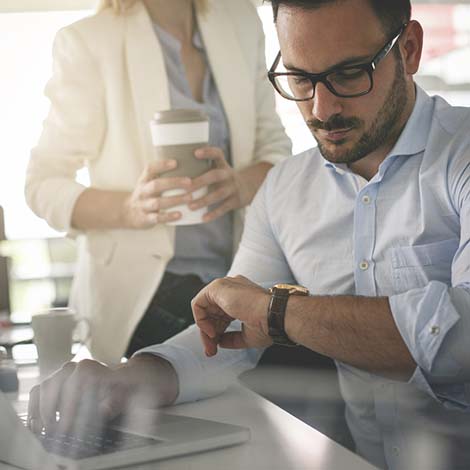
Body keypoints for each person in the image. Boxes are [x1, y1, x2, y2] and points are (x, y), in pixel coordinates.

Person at [28, 0, 470, 468]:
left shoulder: (459, 157)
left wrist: (276, 312)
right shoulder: (286, 189)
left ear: (410, 50)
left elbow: (461, 341)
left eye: (349, 74)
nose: (322, 109)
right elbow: (233, 329)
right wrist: (132, 376)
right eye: (300, 79)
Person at [25, 0, 291, 365]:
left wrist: (241, 186)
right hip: (142, 297)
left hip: (236, 277)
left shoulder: (241, 19)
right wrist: (131, 209)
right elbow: (42, 184)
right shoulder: (89, 41)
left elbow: (275, 150)